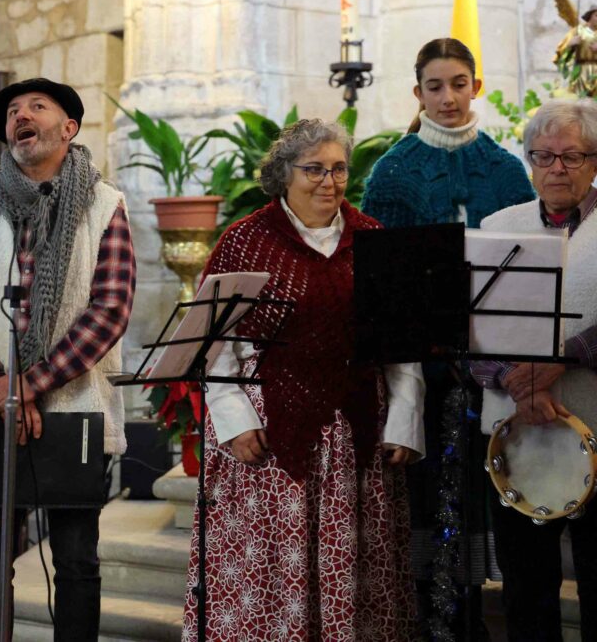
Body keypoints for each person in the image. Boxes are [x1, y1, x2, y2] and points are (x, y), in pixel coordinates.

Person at [181, 119, 424, 640]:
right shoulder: (244, 240)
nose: (328, 182)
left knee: (359, 567)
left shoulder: (374, 239)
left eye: (338, 169)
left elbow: (401, 349)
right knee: (269, 576)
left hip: (355, 430)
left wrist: (403, 422)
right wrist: (233, 421)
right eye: (313, 169)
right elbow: (214, 348)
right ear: (282, 174)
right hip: (266, 431)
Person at [0, 78, 135, 641]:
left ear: (68, 129)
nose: (20, 116)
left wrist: (32, 383)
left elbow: (109, 310)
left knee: (75, 563)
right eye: (12, 112)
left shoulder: (104, 205)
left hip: (74, 409)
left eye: (36, 107)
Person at [361, 37, 535, 636]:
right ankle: (429, 621)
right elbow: (381, 278)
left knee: (489, 500)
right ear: (418, 93)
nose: (448, 97)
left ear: (476, 87)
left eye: (459, 84)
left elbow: (530, 270)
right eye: (434, 87)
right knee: (428, 493)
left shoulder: (508, 169)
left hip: (496, 366)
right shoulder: (393, 170)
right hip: (423, 366)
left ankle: (472, 620)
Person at [470, 98, 597, 642]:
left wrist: (561, 360)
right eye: (543, 156)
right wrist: (512, 380)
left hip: (594, 429)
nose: (556, 169)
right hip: (514, 438)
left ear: (594, 161)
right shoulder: (499, 226)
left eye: (571, 156)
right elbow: (469, 327)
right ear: (528, 162)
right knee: (526, 593)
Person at [555, 7, 597, 98]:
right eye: (596, 16)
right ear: (589, 16)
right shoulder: (578, 31)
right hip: (582, 71)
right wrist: (570, 45)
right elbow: (561, 53)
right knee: (580, 101)